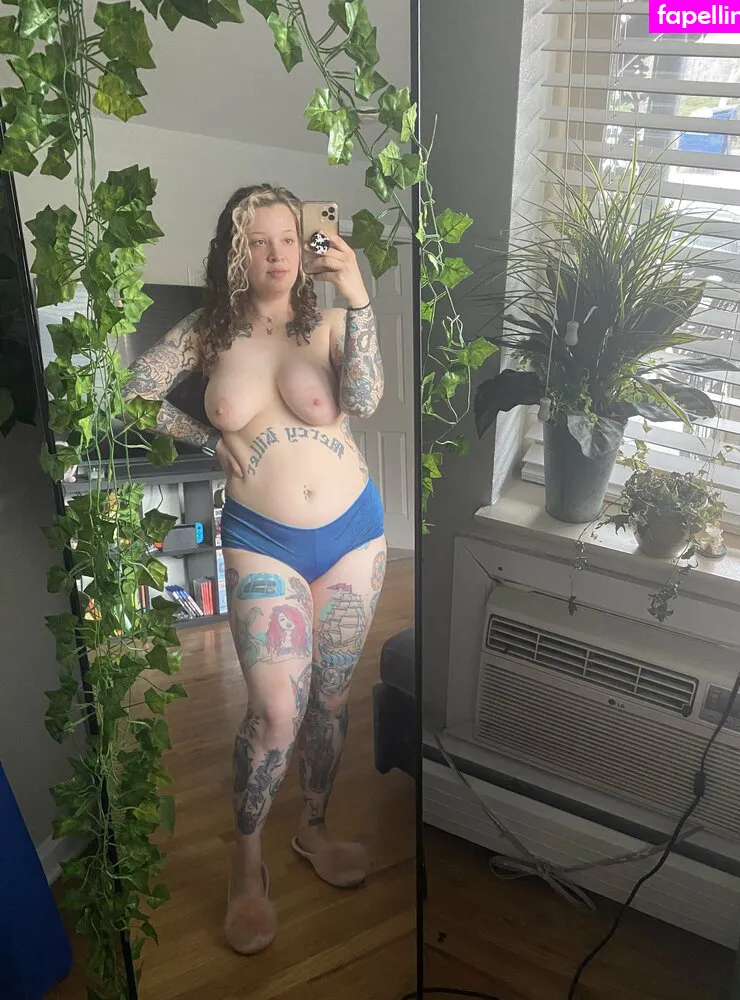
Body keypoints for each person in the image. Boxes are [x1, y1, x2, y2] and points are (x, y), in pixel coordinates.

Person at [122, 184, 386, 955]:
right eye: (258, 242)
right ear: (234, 253)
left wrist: (358, 295)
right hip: (261, 539)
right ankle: (246, 863)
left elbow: (365, 399)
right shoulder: (207, 333)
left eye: (288, 240)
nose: (277, 256)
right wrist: (207, 439)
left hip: (354, 535)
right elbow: (136, 395)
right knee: (274, 711)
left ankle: (312, 830)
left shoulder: (331, 322)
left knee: (329, 699)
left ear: (307, 247)